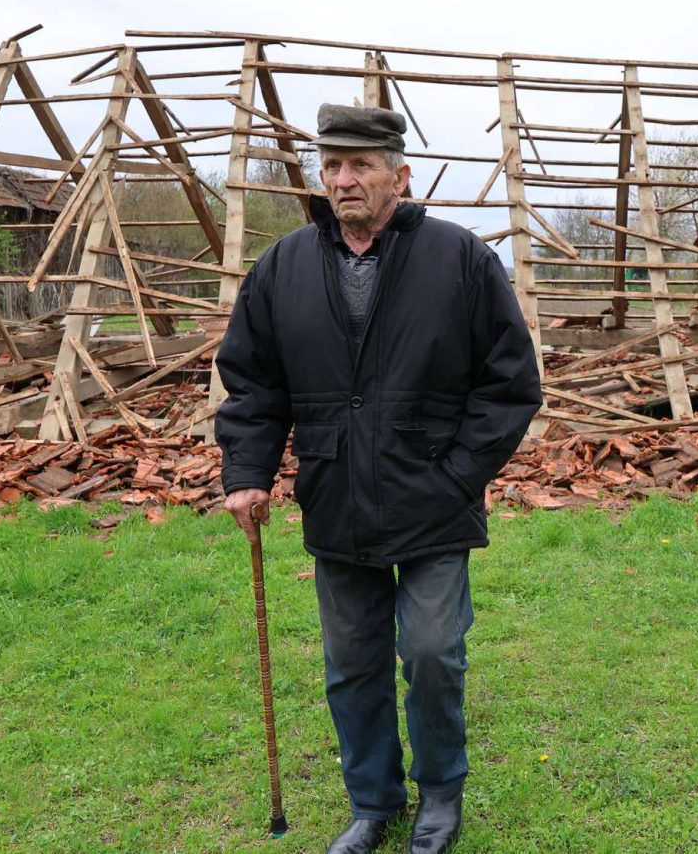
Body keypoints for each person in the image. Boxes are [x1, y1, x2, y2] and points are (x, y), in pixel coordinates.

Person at [215, 104, 542, 854]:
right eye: (332, 165)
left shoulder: (460, 259)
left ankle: (440, 795)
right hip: (336, 497)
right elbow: (254, 381)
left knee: (430, 651)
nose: (342, 179)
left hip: (433, 499)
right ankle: (372, 802)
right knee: (352, 662)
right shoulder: (283, 267)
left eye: (360, 165)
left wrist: (457, 475)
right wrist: (248, 470)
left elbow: (510, 383)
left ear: (401, 175)